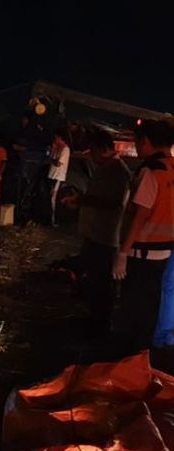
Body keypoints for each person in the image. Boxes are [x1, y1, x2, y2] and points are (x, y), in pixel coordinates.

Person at [113, 119, 174, 352]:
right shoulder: (171, 167)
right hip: (165, 251)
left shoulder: (152, 171)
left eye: (138, 143)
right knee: (151, 303)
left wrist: (123, 252)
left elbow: (140, 216)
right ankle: (143, 353)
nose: (137, 149)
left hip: (143, 250)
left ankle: (129, 357)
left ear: (146, 142)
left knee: (134, 306)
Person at [62, 130, 131, 337]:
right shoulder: (106, 168)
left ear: (102, 149)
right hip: (95, 234)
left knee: (103, 283)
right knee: (94, 278)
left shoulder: (118, 171)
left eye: (92, 150)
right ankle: (94, 319)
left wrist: (83, 201)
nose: (90, 154)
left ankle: (101, 326)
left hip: (107, 237)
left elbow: (114, 203)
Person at [47, 130, 71, 226]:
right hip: (51, 175)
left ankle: (54, 220)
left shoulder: (65, 149)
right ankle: (49, 218)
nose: (55, 139)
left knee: (53, 198)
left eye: (56, 137)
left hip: (58, 176)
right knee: (50, 197)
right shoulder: (56, 148)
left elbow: (58, 163)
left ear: (61, 138)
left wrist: (51, 160)